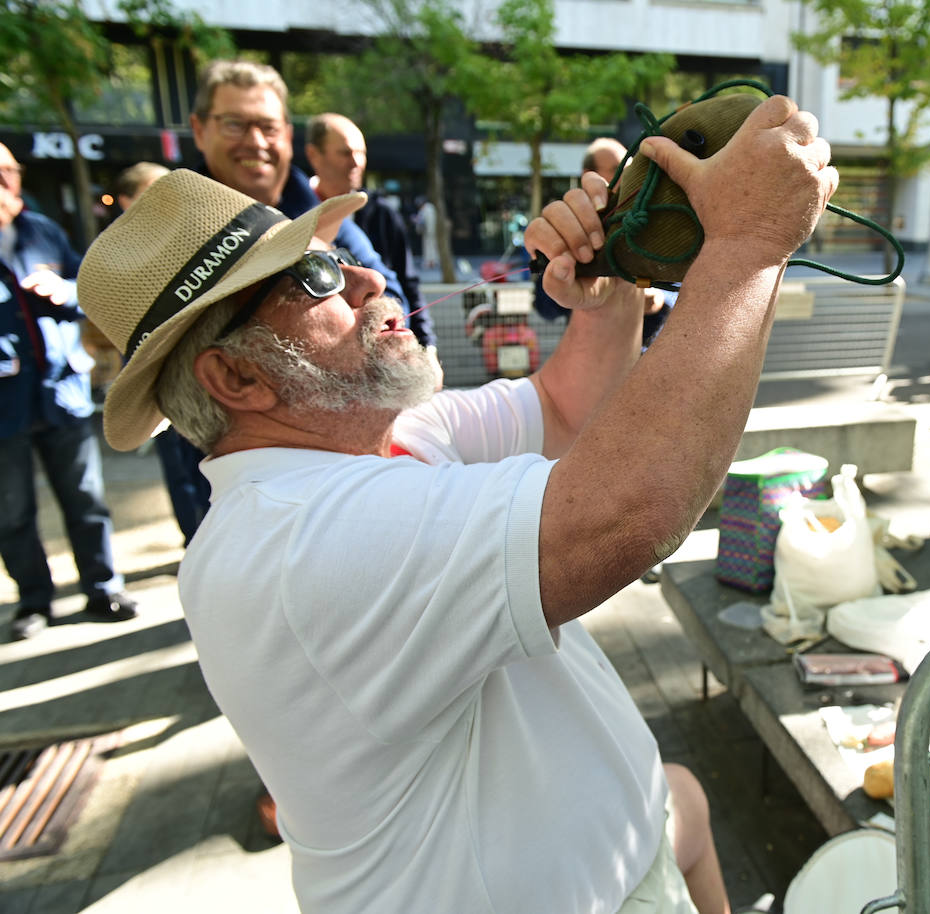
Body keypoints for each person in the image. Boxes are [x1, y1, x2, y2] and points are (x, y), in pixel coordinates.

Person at [76, 90, 835, 913]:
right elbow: (631, 506)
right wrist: (750, 245)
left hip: (622, 862)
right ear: (237, 378)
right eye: (316, 275)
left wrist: (612, 277)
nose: (368, 278)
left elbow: (568, 411)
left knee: (680, 794)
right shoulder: (297, 544)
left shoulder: (368, 445)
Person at [0, 141, 138, 640]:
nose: (4, 184)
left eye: (9, 173)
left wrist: (69, 292)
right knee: (11, 511)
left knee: (85, 498)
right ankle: (34, 600)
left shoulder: (42, 232)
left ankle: (103, 587)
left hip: (61, 391)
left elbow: (92, 286)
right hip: (5, 406)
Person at [188, 60, 421, 331]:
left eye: (268, 127)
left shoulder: (325, 219)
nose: (256, 142)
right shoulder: (171, 231)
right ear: (199, 130)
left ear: (288, 135)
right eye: (234, 124)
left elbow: (391, 300)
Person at [116, 162, 213, 546]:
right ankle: (198, 546)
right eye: (155, 192)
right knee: (182, 473)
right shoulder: (118, 257)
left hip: (209, 378)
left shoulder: (195, 237)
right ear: (126, 202)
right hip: (165, 384)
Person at [305, 112, 438, 373]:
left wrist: (427, 348)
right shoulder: (291, 214)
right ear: (314, 155)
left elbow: (408, 284)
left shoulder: (383, 215)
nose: (356, 162)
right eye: (344, 153)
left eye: (361, 152)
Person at [535, 136, 671, 347]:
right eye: (617, 168)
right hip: (589, 362)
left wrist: (659, 301)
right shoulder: (569, 226)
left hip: (648, 357)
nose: (628, 174)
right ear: (588, 175)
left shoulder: (651, 217)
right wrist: (567, 286)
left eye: (631, 166)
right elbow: (545, 309)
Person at [415, 196, 439, 270]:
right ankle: (431, 262)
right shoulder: (427, 208)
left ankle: (431, 263)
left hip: (430, 232)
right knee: (429, 247)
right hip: (428, 232)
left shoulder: (428, 208)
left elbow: (428, 221)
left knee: (430, 247)